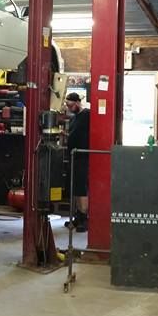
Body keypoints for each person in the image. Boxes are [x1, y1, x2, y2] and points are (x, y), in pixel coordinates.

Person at [64, 92, 90, 232]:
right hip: (73, 157)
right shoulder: (74, 118)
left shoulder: (87, 115)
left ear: (77, 103)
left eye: (70, 105)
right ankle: (78, 216)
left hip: (82, 157)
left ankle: (84, 218)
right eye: (67, 105)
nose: (68, 108)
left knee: (81, 189)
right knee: (74, 188)